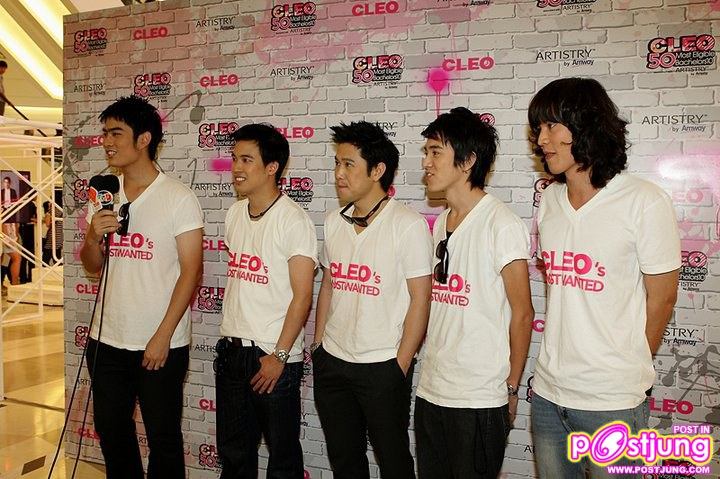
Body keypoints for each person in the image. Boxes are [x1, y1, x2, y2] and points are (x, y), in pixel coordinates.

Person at [528, 77, 681, 478]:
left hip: (611, 403)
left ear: (586, 125)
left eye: (551, 125)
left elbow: (662, 298)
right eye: (538, 128)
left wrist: (626, 367)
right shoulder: (549, 200)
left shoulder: (643, 201)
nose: (541, 139)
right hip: (547, 394)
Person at [80, 95, 204, 479]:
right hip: (106, 340)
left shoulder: (178, 198)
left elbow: (190, 272)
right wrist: (92, 236)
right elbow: (92, 266)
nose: (106, 141)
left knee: (163, 438)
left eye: (116, 133)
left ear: (144, 139)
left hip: (158, 344)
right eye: (104, 133)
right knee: (113, 432)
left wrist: (163, 336)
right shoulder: (104, 193)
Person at [415, 107, 534, 479]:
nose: (426, 162)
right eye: (426, 152)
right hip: (431, 391)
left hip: (479, 399)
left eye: (436, 152)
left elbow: (523, 313)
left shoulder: (502, 224)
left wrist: (511, 388)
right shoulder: (441, 223)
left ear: (467, 161)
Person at [313, 121, 433, 479]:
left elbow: (420, 299)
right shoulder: (334, 221)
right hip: (333, 362)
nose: (339, 173)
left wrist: (400, 364)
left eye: (349, 164)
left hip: (382, 366)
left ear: (377, 170)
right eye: (337, 163)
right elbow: (329, 284)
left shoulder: (408, 225)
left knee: (394, 462)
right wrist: (318, 346)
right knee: (345, 462)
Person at [215, 123, 317, 478]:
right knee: (234, 456)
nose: (236, 168)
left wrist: (279, 356)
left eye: (247, 160)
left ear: (272, 167)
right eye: (234, 159)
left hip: (272, 357)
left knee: (282, 460)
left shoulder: (293, 220)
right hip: (232, 352)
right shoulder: (234, 214)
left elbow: (303, 296)